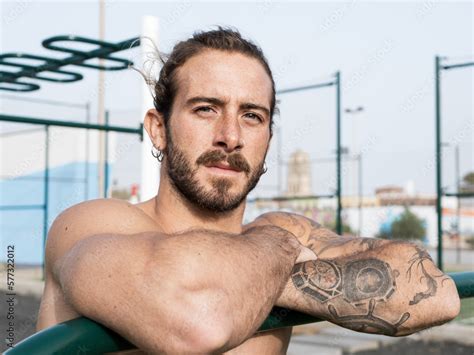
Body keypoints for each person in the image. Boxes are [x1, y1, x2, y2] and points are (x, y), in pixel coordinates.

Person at [36, 28, 460, 354]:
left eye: (252, 116)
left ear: (268, 140)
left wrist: (262, 269)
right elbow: (197, 319)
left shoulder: (283, 229)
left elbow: (437, 296)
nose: (230, 136)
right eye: (206, 109)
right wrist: (280, 248)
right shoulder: (92, 225)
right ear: (158, 128)